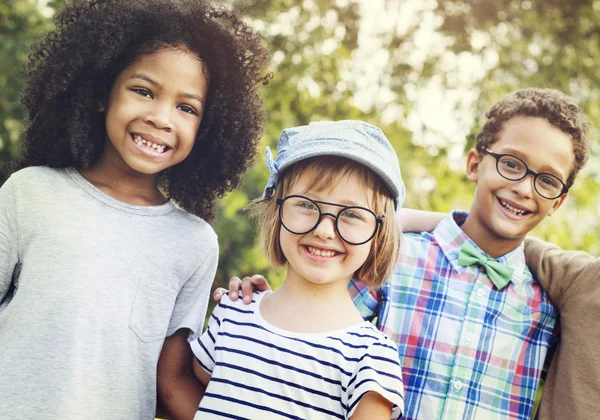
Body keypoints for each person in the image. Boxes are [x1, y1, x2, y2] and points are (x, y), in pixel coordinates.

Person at [221, 89, 591, 420]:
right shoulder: (391, 263)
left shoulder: (545, 308)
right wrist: (255, 308)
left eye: (546, 180)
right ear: (475, 164)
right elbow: (307, 334)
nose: (523, 188)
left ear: (558, 202)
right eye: (511, 163)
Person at [0, 0, 269, 418]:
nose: (161, 118)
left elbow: (169, 382)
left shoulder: (193, 243)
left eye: (186, 108)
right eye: (143, 91)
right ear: (101, 92)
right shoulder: (30, 193)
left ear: (209, 128)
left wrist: (258, 325)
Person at [190, 120, 406, 419]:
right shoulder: (233, 312)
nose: (325, 230)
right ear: (276, 209)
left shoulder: (370, 357)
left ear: (379, 235)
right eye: (306, 204)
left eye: (352, 214)